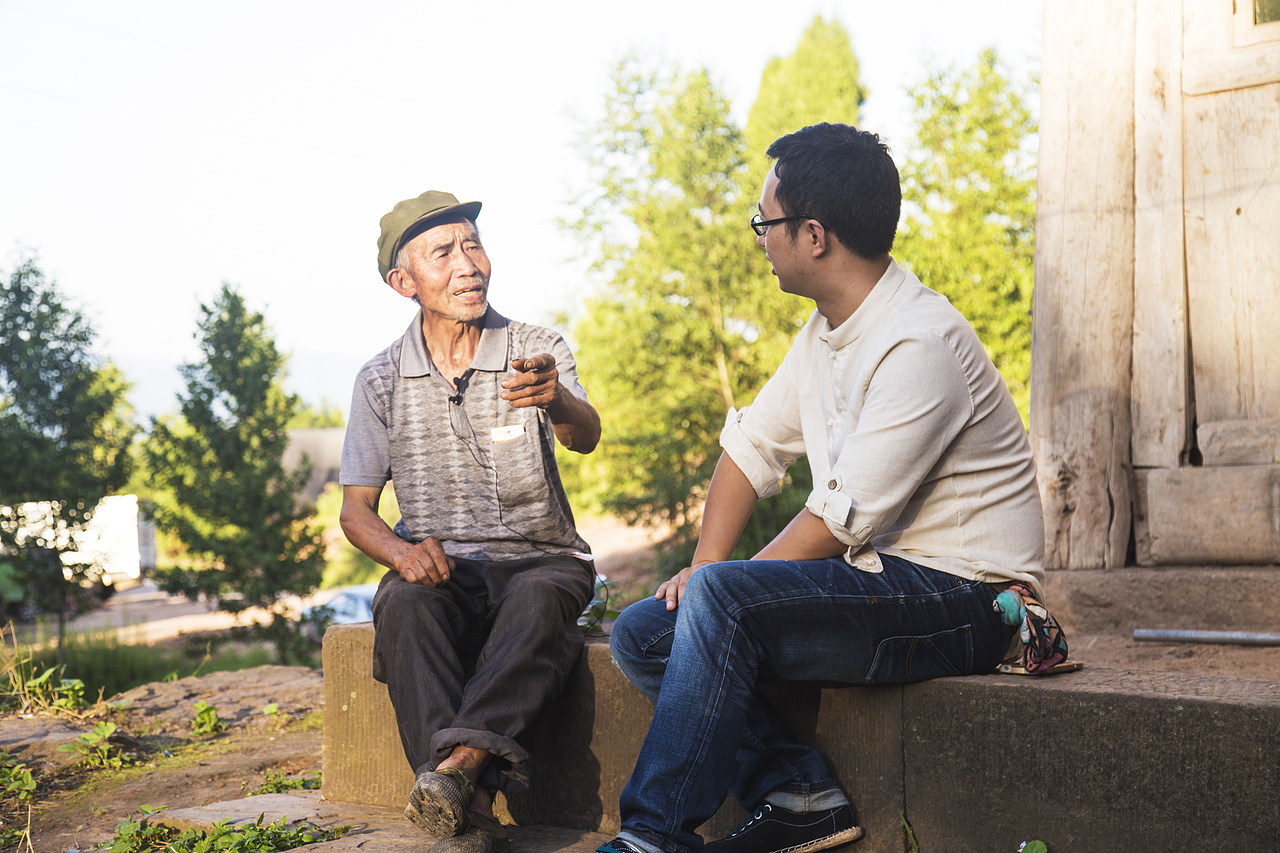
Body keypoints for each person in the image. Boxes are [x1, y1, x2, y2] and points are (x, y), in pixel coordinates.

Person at [599, 123, 1047, 853]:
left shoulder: (918, 342)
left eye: (764, 223)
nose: (759, 238)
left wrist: (720, 588)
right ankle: (799, 791)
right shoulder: (826, 331)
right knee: (645, 630)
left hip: (968, 600)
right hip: (881, 584)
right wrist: (708, 560)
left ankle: (653, 835)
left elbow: (838, 522)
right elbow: (751, 448)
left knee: (715, 600)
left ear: (813, 235)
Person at [339, 191, 601, 853]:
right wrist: (400, 554)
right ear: (404, 281)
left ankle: (455, 775)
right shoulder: (380, 378)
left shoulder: (536, 348)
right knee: (405, 605)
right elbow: (356, 512)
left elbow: (585, 435)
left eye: (474, 245)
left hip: (541, 559)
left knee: (542, 596)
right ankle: (469, 811)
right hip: (445, 567)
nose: (468, 265)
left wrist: (558, 397)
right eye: (444, 252)